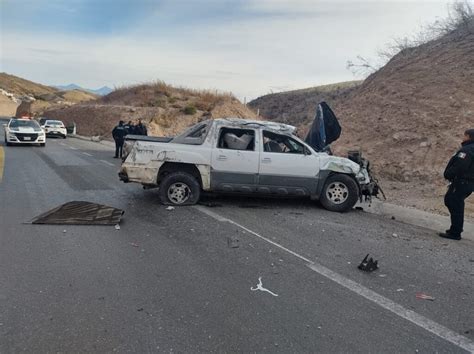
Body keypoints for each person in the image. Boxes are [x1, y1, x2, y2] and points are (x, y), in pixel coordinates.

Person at [440, 129, 474, 240]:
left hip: (462, 182)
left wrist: (449, 174)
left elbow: (460, 166)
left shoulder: (467, 150)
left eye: (464, 136)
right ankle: (456, 229)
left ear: (468, 136)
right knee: (452, 201)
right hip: (467, 182)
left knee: (454, 203)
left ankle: (455, 232)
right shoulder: (470, 149)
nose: (463, 137)